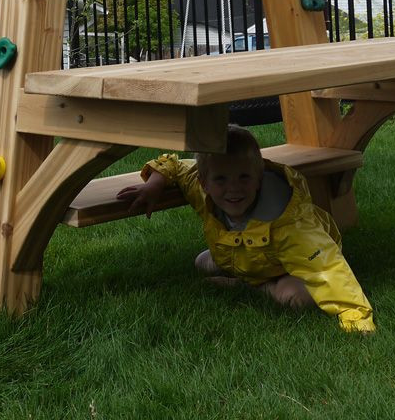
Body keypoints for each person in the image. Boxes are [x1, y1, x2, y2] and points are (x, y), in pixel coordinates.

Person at [117, 125, 374, 333]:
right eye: (221, 179)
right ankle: (241, 278)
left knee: (294, 297)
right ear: (204, 182)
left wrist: (356, 318)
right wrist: (154, 184)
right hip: (242, 255)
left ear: (259, 177)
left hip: (284, 267)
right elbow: (173, 163)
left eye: (244, 177)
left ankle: (253, 287)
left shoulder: (289, 222)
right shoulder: (200, 184)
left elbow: (326, 268)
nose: (233, 188)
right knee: (202, 262)